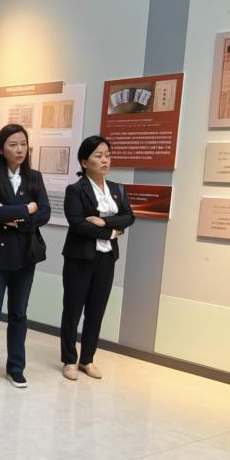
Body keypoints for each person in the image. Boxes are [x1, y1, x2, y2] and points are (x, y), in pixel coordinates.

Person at [0, 124, 49, 388]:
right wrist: (27, 209)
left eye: (23, 144)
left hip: (25, 255)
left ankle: (16, 367)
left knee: (19, 313)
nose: (19, 149)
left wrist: (14, 216)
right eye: (13, 144)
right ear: (0, 149)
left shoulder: (35, 177)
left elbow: (45, 213)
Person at [59, 135, 133, 381]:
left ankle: (87, 359)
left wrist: (103, 221)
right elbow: (78, 224)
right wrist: (112, 231)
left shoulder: (117, 189)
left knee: (96, 310)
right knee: (73, 310)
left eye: (107, 155)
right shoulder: (75, 190)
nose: (105, 160)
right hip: (79, 258)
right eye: (98, 156)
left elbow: (129, 217)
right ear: (84, 162)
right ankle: (69, 359)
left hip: (106, 258)